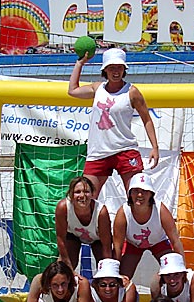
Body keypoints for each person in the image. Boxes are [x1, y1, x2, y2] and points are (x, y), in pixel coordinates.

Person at [68, 47, 159, 198]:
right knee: (87, 198)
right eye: (112, 68)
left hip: (125, 149)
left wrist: (155, 147)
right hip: (98, 151)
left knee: (137, 196)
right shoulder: (98, 88)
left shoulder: (132, 92)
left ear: (124, 69)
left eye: (119, 67)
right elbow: (72, 90)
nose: (116, 72)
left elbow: (147, 119)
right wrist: (80, 63)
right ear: (105, 70)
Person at [113, 172, 184, 278]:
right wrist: (113, 274)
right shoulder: (123, 213)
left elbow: (175, 241)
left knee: (173, 273)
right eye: (136, 191)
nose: (140, 195)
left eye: (144, 191)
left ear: (151, 194)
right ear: (130, 193)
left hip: (159, 242)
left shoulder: (160, 210)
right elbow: (117, 246)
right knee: (122, 278)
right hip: (133, 245)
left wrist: (181, 268)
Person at [55, 176, 112, 271]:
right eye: (77, 192)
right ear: (71, 195)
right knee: (64, 268)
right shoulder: (63, 207)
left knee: (104, 265)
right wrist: (67, 265)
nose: (82, 195)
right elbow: (60, 238)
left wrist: (107, 270)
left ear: (92, 194)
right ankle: (45, 279)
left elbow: (106, 246)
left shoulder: (101, 212)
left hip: (97, 239)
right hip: (73, 235)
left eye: (86, 192)